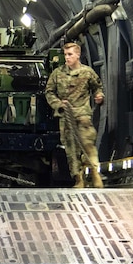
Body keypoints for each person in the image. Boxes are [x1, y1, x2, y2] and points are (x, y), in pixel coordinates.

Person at [44, 40, 104, 188]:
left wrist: (99, 96)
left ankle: (95, 174)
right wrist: (58, 104)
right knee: (71, 150)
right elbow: (49, 92)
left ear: (78, 55)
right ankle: (79, 179)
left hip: (82, 115)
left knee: (88, 145)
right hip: (66, 117)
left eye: (70, 54)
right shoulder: (57, 74)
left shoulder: (87, 72)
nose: (67, 57)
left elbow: (97, 87)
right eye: (65, 54)